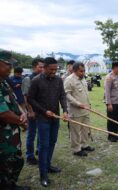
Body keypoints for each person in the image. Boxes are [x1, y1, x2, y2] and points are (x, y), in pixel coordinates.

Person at [27, 57, 68, 187]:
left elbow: (62, 95)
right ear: (44, 68)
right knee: (43, 146)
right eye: (51, 69)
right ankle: (43, 174)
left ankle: (48, 165)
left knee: (52, 142)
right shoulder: (36, 81)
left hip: (55, 117)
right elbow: (31, 99)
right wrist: (44, 111)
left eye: (56, 69)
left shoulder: (58, 80)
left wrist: (65, 110)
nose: (54, 72)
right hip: (43, 118)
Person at [0, 50, 30, 190]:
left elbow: (14, 102)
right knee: (4, 163)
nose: (10, 68)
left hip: (11, 132)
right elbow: (3, 114)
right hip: (3, 135)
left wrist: (22, 114)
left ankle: (11, 185)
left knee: (15, 160)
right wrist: (21, 120)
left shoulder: (4, 82)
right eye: (8, 64)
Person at [64, 63, 95, 157]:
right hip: (75, 110)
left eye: (84, 71)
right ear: (75, 70)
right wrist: (78, 104)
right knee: (75, 131)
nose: (83, 73)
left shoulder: (83, 79)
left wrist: (88, 104)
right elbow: (67, 95)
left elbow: (85, 93)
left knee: (85, 128)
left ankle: (84, 145)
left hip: (85, 109)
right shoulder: (69, 80)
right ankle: (76, 149)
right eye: (81, 71)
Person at [22, 58, 44, 165]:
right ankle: (29, 156)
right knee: (31, 134)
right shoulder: (28, 79)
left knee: (41, 132)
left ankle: (39, 150)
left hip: (41, 111)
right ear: (34, 67)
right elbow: (26, 97)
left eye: (43, 67)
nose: (42, 69)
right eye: (40, 67)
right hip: (32, 111)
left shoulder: (42, 78)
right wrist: (30, 111)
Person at [104, 61, 118, 142]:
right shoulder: (109, 77)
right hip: (112, 103)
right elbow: (107, 91)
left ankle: (115, 134)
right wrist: (108, 103)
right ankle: (111, 136)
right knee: (111, 120)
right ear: (115, 67)